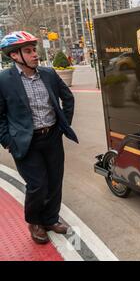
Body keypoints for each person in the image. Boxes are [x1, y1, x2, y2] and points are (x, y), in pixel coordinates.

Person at [0, 31, 78, 244]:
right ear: (15, 56)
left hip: (52, 137)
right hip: (25, 142)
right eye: (28, 51)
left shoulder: (48, 74)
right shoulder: (3, 80)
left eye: (34, 50)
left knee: (54, 181)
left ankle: (51, 219)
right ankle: (35, 222)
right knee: (37, 184)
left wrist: (63, 125)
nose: (35, 54)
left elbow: (67, 98)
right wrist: (7, 140)